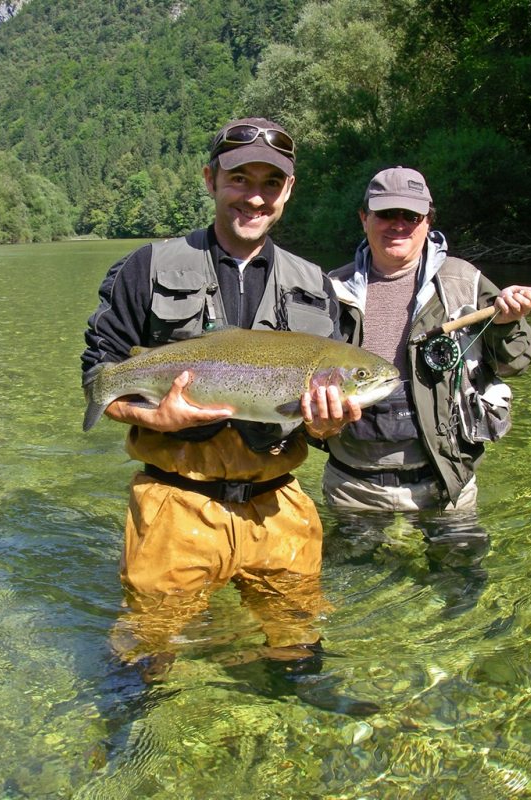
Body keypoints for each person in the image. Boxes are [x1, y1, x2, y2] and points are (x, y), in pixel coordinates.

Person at [81, 117, 360, 677]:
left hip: (278, 503)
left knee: (299, 647)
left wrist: (328, 427)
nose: (254, 197)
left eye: (270, 183)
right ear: (210, 180)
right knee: (146, 656)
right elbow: (98, 373)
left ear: (288, 191)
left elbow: (324, 425)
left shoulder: (316, 286)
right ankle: (134, 744)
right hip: (173, 505)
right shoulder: (148, 267)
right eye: (239, 179)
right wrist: (151, 416)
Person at [323, 165, 531, 512]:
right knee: (354, 568)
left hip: (446, 483)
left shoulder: (464, 280)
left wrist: (508, 323)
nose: (398, 224)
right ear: (364, 217)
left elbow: (514, 364)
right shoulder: (329, 289)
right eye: (385, 213)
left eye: (410, 215)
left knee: (459, 568)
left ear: (428, 221)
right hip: (354, 487)